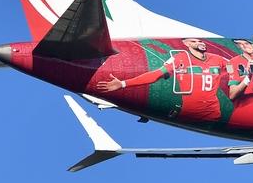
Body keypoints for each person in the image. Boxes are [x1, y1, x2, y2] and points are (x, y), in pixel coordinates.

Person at [96, 38, 226, 122]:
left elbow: (233, 70)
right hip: (191, 112)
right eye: (194, 41)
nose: (200, 43)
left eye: (200, 41)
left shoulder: (218, 59)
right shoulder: (180, 59)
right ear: (186, 44)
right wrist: (123, 83)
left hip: (214, 113)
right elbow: (155, 75)